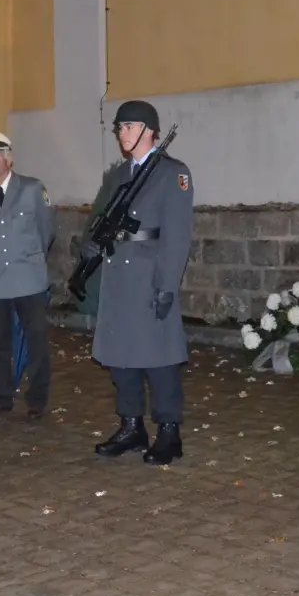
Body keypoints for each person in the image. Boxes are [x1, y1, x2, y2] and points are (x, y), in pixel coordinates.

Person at [90, 101, 194, 466]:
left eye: (129, 127)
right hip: (118, 275)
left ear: (149, 130)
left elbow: (178, 235)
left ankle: (169, 431)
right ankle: (131, 426)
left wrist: (167, 285)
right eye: (119, 128)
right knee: (121, 357)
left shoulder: (172, 174)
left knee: (159, 358)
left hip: (150, 275)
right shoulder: (118, 175)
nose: (122, 134)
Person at [0, 131, 56, 419]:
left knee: (36, 340)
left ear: (9, 158)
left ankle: (37, 399)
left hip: (28, 277)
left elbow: (46, 231)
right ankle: (2, 396)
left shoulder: (32, 188)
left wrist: (31, 259)